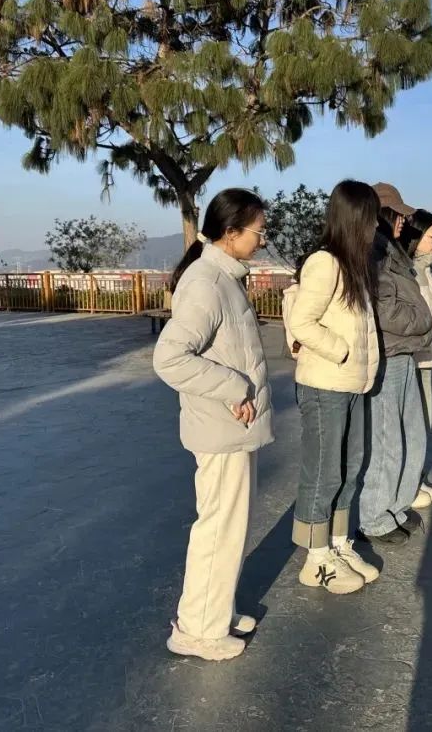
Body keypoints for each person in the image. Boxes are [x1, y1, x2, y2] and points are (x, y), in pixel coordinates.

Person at [152, 188, 273, 661]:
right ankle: (198, 630)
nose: (262, 239)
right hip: (221, 427)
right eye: (258, 231)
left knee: (230, 526)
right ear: (231, 232)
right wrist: (234, 388)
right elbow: (170, 358)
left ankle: (214, 612)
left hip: (232, 427)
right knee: (219, 528)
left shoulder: (223, 278)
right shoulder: (206, 283)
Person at [286, 180, 382, 593]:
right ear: (355, 219)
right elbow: (301, 322)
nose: (376, 227)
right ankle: (316, 558)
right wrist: (341, 350)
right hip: (325, 384)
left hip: (352, 384)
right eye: (372, 218)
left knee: (350, 466)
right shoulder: (324, 263)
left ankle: (339, 543)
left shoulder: (355, 267)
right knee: (323, 471)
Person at [358, 183, 432, 545]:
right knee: (387, 440)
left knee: (412, 436)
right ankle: (374, 518)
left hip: (403, 353)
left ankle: (396, 507)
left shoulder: (390, 249)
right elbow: (384, 309)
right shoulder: (373, 253)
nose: (404, 220)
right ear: (382, 213)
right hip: (388, 355)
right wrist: (422, 320)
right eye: (399, 214)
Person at [398, 209, 432, 509]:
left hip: (429, 359)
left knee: (425, 422)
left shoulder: (427, 270)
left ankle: (417, 477)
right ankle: (408, 485)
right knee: (413, 425)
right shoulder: (409, 272)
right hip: (415, 360)